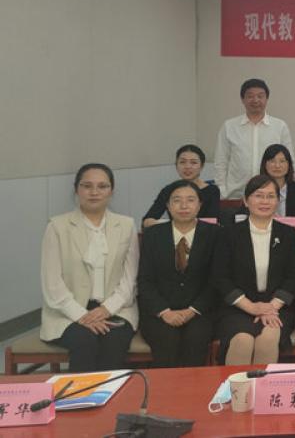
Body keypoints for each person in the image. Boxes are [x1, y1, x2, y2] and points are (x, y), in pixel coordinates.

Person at [40, 164, 139, 372]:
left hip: (117, 308)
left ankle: (111, 393)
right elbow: (52, 283)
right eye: (87, 186)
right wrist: (81, 316)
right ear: (76, 189)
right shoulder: (57, 226)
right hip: (67, 311)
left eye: (102, 186)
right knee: (84, 340)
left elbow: (130, 278)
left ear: (111, 191)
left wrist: (106, 309)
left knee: (113, 340)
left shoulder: (126, 225)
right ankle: (80, 393)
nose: (94, 192)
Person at [213, 175, 295, 365]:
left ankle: (263, 386)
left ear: (278, 201)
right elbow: (221, 278)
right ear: (246, 201)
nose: (265, 201)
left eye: (270, 196)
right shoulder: (228, 234)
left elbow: (293, 277)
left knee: (268, 338)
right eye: (258, 195)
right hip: (238, 308)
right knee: (242, 341)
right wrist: (252, 307)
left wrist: (270, 307)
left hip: (277, 308)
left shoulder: (288, 234)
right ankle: (236, 386)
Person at [138, 180, 221, 367]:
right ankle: (166, 387)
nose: (184, 206)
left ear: (199, 205)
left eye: (190, 200)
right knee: (166, 339)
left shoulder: (215, 234)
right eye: (177, 200)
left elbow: (216, 281)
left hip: (200, 311)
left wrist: (192, 311)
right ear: (168, 206)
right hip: (160, 312)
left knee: (196, 338)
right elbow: (145, 280)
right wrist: (164, 312)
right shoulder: (153, 235)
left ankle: (195, 387)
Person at [215, 78, 294, 198]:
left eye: (260, 96)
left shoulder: (280, 126)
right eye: (250, 96)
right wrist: (222, 193)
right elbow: (221, 163)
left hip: (270, 196)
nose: (255, 100)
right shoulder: (229, 126)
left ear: (267, 99)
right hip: (236, 196)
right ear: (242, 99)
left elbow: (289, 161)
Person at [142, 144, 220, 228]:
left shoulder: (212, 190)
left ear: (202, 166)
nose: (187, 167)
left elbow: (212, 222)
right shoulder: (168, 190)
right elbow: (147, 220)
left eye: (193, 162)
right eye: (182, 162)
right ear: (176, 165)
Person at [260, 144, 295, 217]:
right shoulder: (256, 189)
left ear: (289, 165)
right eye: (272, 161)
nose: (277, 166)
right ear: (265, 164)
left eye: (282, 161)